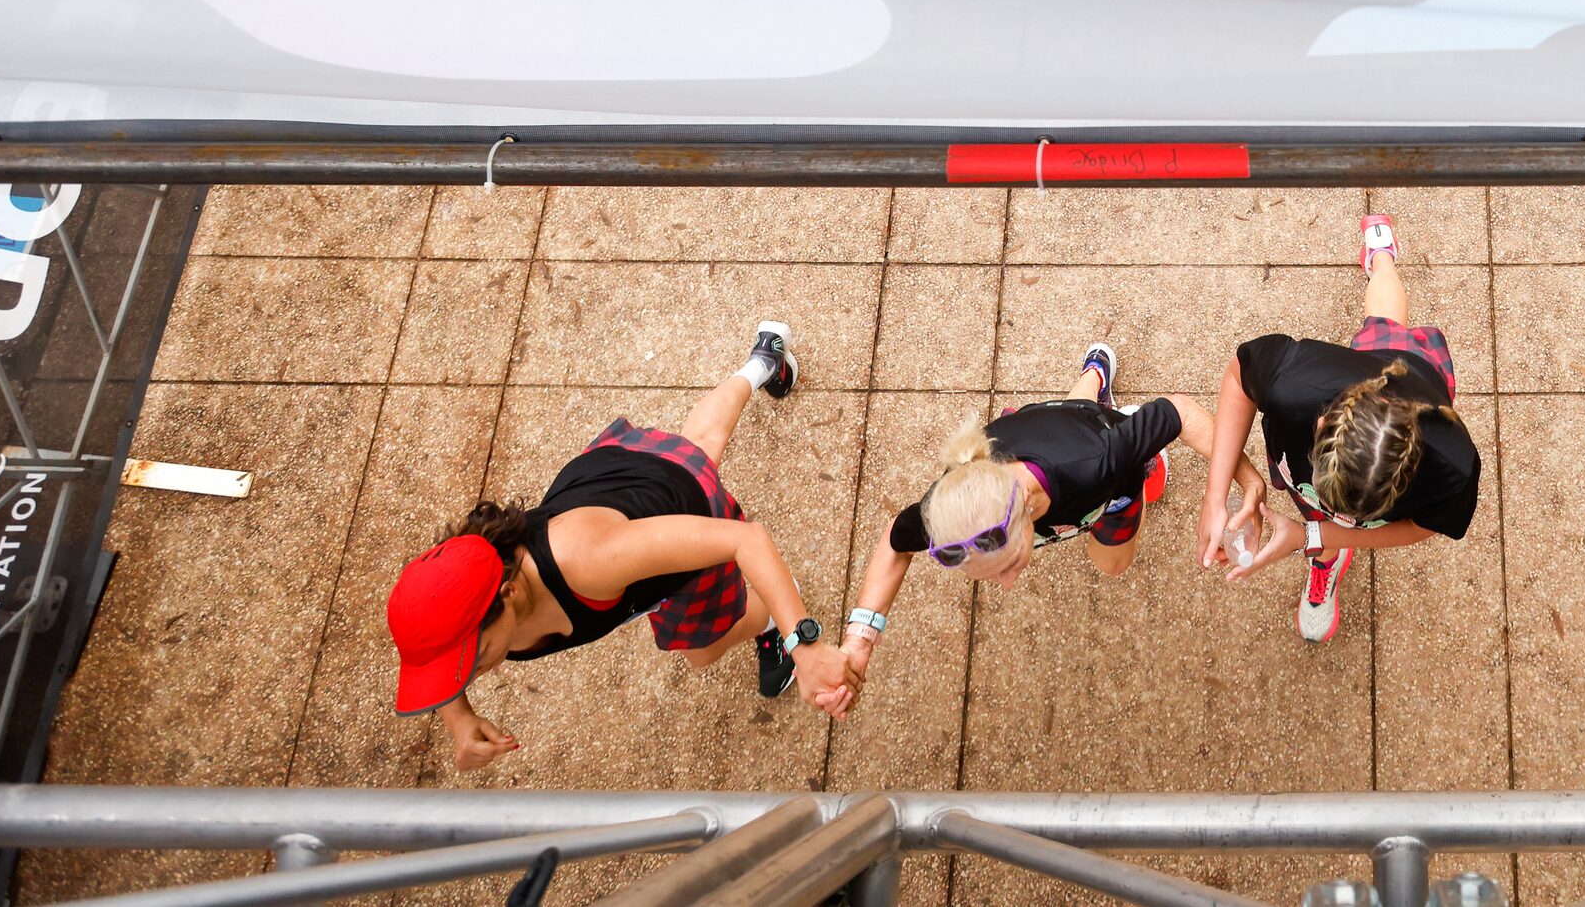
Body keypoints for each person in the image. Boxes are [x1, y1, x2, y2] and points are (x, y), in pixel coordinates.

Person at [385, 322, 854, 769]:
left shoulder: (590, 562)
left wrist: (803, 643)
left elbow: (746, 539)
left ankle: (769, 613)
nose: (467, 675)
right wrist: (458, 714)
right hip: (619, 480)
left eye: (471, 661)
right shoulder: (465, 575)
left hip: (671, 507)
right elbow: (441, 636)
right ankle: (764, 359)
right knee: (700, 442)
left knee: (700, 651)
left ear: (507, 592)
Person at [836, 340, 1268, 686]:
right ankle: (1095, 374)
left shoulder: (1098, 462)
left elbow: (1182, 412)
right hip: (1046, 426)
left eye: (1006, 567)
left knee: (1114, 564)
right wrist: (859, 642)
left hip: (1099, 456)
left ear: (1026, 506)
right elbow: (895, 542)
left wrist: (1248, 482)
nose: (1006, 584)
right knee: (1072, 410)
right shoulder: (950, 511)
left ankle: (1135, 432)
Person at [1198, 213, 1482, 642]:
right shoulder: (1294, 383)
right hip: (1363, 371)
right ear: (1323, 421)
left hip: (1405, 385)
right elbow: (1239, 378)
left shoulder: (1454, 468)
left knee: (1388, 324)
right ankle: (1382, 258)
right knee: (1385, 323)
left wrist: (1308, 534)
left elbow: (1421, 527)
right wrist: (1215, 495)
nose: (1345, 518)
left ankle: (1323, 556)